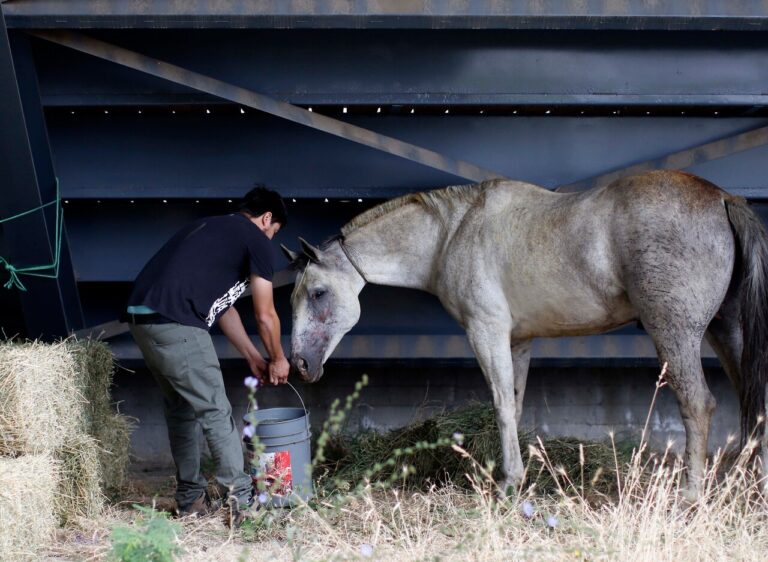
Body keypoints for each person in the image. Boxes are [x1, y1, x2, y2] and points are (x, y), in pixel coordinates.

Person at [125, 186, 290, 525]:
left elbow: (221, 307)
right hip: (176, 322)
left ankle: (191, 501)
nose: (269, 241)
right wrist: (278, 358)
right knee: (215, 410)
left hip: (143, 321)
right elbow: (265, 314)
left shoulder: (210, 229)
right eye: (273, 233)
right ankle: (241, 503)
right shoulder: (255, 238)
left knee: (181, 411)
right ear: (267, 218)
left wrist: (253, 356)